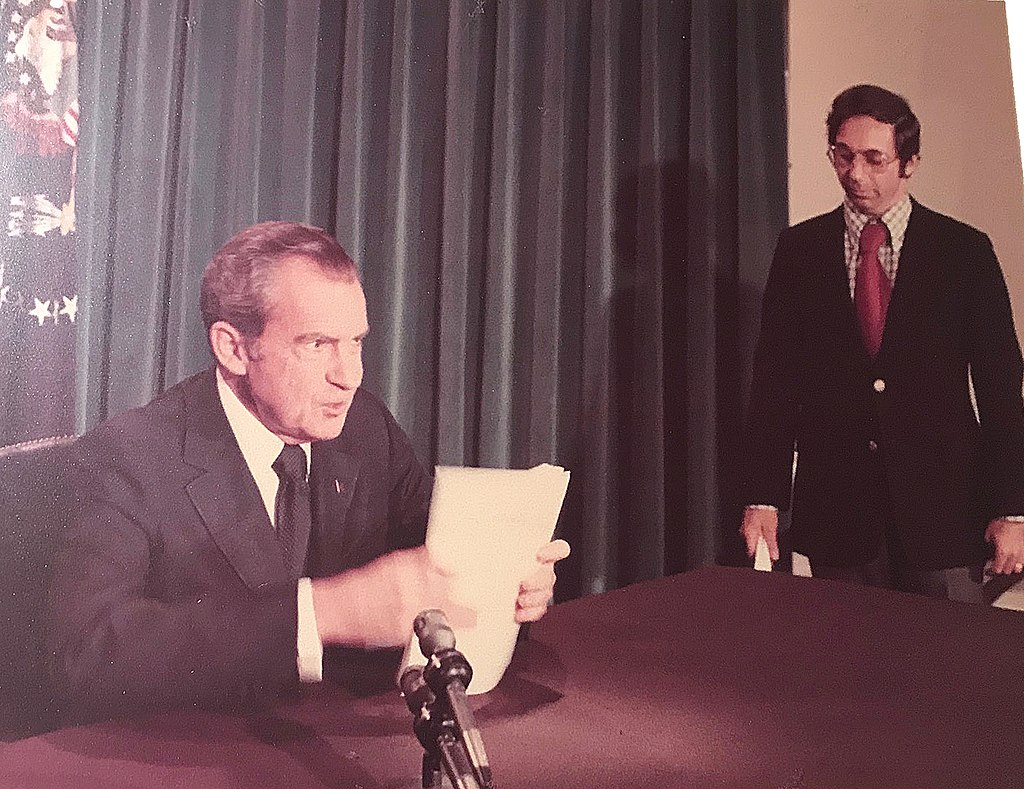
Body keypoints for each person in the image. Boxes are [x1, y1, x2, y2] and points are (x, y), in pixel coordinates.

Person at [47, 221, 570, 720]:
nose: (349, 376)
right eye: (317, 344)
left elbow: (438, 560)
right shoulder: (128, 457)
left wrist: (507, 584)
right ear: (233, 348)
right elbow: (86, 653)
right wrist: (323, 613)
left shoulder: (365, 428)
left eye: (356, 341)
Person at [739, 84, 1024, 601]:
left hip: (945, 521)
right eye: (842, 156)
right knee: (850, 672)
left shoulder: (964, 253)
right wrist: (764, 497)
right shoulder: (799, 250)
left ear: (909, 162)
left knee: (948, 671)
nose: (855, 173)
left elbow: (1003, 393)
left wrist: (1013, 509)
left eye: (874, 159)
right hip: (841, 522)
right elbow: (774, 384)